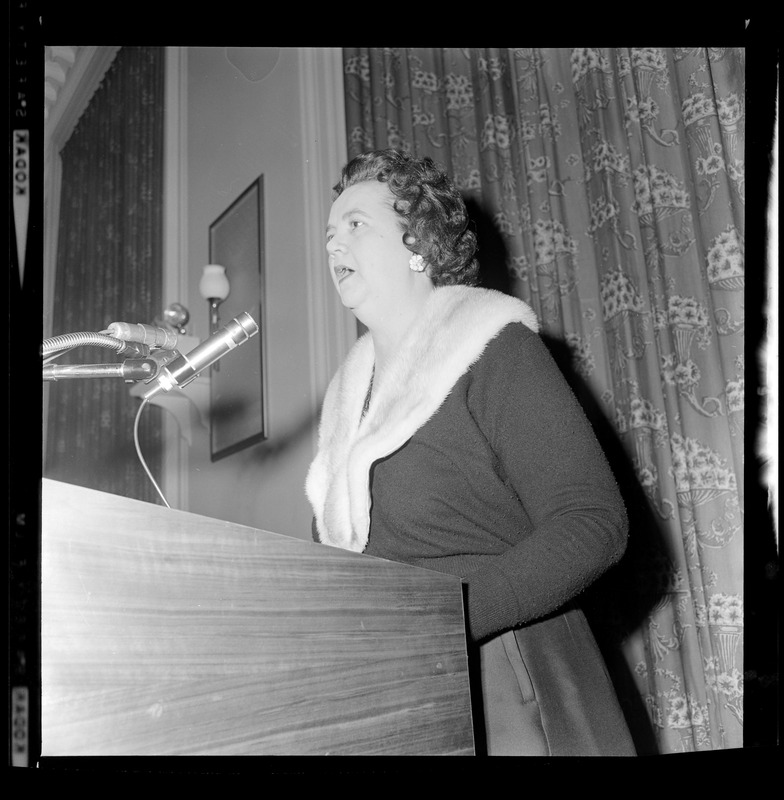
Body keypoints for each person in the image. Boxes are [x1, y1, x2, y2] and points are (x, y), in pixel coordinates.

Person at [305, 148, 636, 756]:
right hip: (399, 693)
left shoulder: (493, 347)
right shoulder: (344, 406)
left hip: (510, 676)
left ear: (419, 245)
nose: (333, 246)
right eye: (329, 233)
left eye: (356, 225)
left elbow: (593, 525)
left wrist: (442, 623)